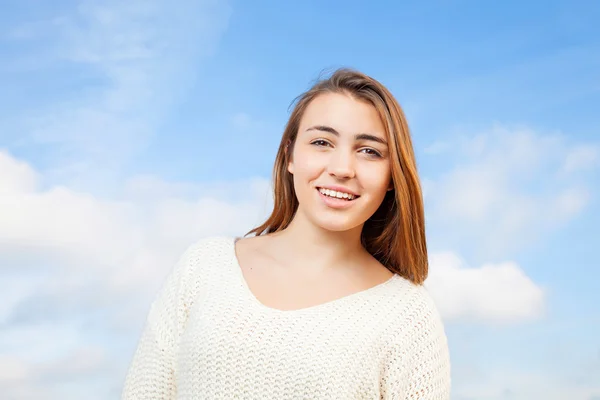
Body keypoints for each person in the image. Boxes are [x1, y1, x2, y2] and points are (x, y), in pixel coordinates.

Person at [121, 68, 451, 399]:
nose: (342, 168)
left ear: (393, 175)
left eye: (369, 151)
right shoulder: (205, 265)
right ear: (289, 155)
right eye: (322, 142)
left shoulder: (409, 316)